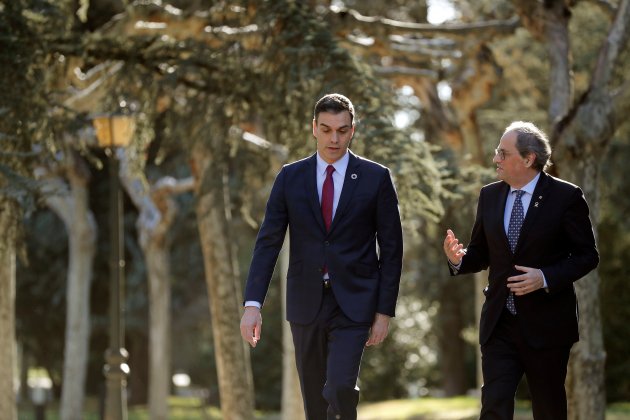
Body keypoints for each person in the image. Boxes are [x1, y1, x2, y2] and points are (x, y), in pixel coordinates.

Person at [240, 93, 403, 420]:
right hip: (306, 303)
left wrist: (384, 311)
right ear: (314, 128)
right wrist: (252, 305)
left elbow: (392, 248)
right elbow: (268, 242)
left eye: (342, 130)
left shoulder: (375, 178)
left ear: (352, 130)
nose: (334, 138)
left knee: (341, 388)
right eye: (326, 129)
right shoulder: (290, 177)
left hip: (355, 303)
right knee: (315, 403)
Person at [443, 121, 599, 419]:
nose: (495, 159)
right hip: (500, 323)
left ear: (528, 159)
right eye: (496, 152)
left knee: (549, 410)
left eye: (503, 153)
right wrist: (458, 259)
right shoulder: (489, 195)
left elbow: (587, 256)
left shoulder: (566, 197)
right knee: (494, 407)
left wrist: (544, 277)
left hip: (548, 326)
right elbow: (479, 254)